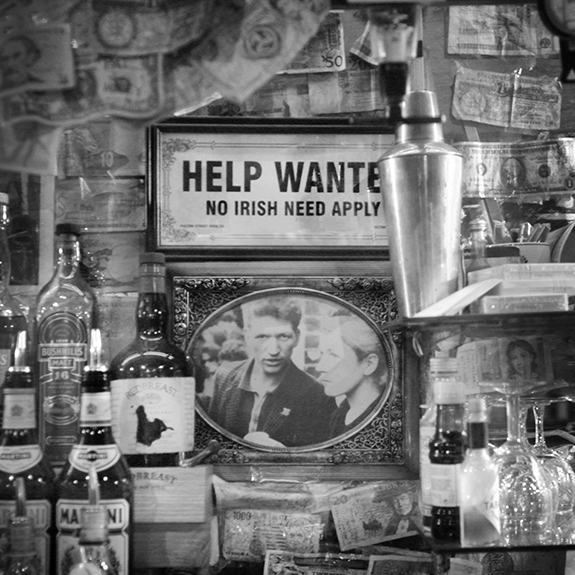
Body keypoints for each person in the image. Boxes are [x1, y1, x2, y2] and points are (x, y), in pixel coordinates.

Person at [207, 296, 336, 448]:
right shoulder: (224, 375)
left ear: (297, 337)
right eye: (262, 337)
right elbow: (211, 443)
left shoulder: (318, 395)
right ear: (247, 335)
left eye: (283, 336)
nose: (273, 350)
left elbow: (315, 457)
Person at [315, 316, 390, 438]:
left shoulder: (383, 422)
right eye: (322, 354)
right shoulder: (340, 414)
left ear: (369, 364)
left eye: (333, 355)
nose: (320, 367)